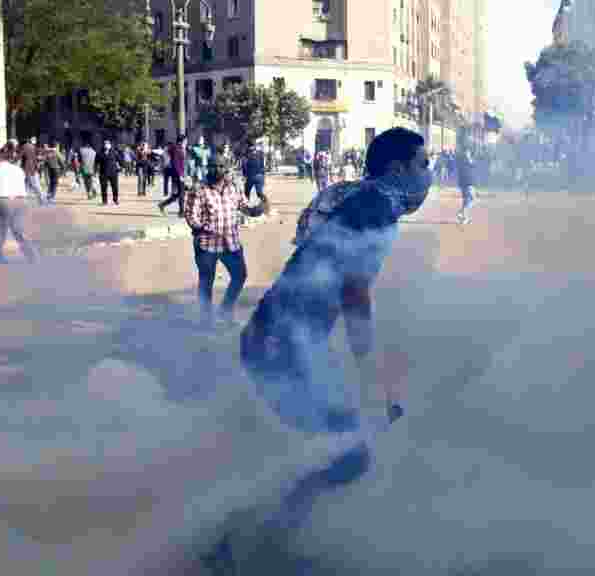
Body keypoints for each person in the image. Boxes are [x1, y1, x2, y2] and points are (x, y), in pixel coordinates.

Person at [234, 128, 431, 543]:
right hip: (279, 347)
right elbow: (354, 290)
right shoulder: (377, 206)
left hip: (279, 341)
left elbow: (314, 253)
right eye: (422, 164)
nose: (428, 174)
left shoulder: (351, 195)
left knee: (332, 443)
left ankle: (268, 529)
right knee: (346, 451)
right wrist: (373, 381)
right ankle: (247, 537)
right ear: (397, 168)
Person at [184, 157, 268, 330]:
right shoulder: (199, 189)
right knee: (206, 281)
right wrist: (201, 228)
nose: (216, 170)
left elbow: (244, 207)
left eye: (220, 166)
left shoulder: (234, 187)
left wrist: (257, 209)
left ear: (226, 168)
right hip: (207, 244)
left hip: (230, 242)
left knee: (240, 275)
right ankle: (205, 319)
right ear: (208, 168)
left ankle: (225, 311)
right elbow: (191, 215)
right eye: (213, 166)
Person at [0, 148, 38, 263]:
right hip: (22, 201)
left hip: (5, 202)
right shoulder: (18, 169)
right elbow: (22, 188)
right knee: (18, 231)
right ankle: (32, 255)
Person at [158, 135, 187, 216]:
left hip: (178, 174)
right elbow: (176, 163)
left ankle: (162, 205)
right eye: (185, 141)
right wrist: (180, 175)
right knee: (181, 193)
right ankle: (181, 212)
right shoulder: (177, 149)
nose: (186, 143)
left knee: (177, 195)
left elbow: (181, 163)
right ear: (181, 141)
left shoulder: (179, 149)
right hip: (177, 174)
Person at [96, 139, 122, 206]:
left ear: (110, 145)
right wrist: (96, 171)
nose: (106, 145)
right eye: (105, 144)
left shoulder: (114, 152)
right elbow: (96, 162)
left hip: (113, 172)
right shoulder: (99, 153)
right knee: (103, 187)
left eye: (108, 144)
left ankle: (115, 200)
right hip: (103, 173)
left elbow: (120, 160)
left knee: (115, 187)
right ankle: (104, 201)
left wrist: (121, 167)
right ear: (103, 145)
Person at [20, 137, 44, 205]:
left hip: (28, 170)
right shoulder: (34, 147)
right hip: (32, 169)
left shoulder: (25, 147)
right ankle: (27, 202)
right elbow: (39, 157)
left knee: (34, 186)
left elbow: (19, 157)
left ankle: (42, 201)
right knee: (28, 186)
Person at [456, 148, 476, 224]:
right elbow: (472, 165)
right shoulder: (465, 161)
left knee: (467, 200)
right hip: (467, 183)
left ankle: (462, 214)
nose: (468, 153)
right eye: (467, 152)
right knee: (470, 199)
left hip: (465, 183)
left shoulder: (463, 161)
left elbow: (473, 165)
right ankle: (463, 216)